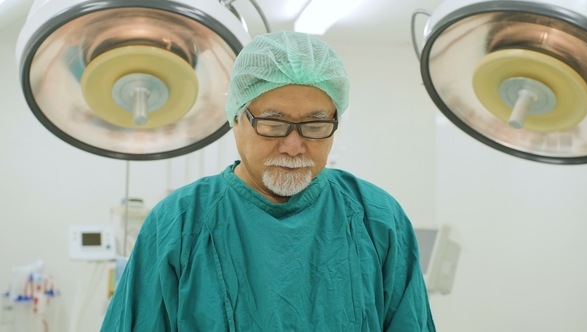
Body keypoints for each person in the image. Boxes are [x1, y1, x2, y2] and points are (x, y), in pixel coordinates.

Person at [101, 30, 436, 331]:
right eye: (274, 124)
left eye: (315, 125)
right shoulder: (179, 223)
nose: (293, 146)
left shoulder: (376, 218)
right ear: (235, 118)